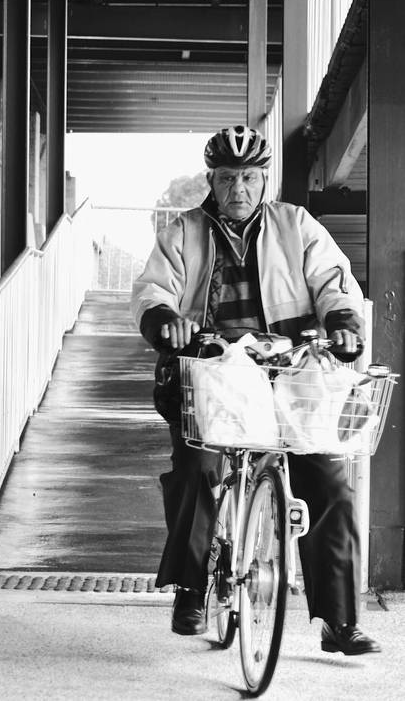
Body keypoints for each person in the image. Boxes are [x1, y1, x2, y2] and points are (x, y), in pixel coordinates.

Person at [131, 125, 380, 655]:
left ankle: (339, 619)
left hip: (286, 372)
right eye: (226, 179)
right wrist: (164, 320)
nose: (237, 188)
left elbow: (333, 280)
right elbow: (153, 288)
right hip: (211, 371)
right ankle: (192, 587)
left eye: (248, 177)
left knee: (328, 478)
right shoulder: (184, 232)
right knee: (197, 466)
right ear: (211, 181)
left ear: (263, 179)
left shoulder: (296, 225)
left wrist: (341, 322)